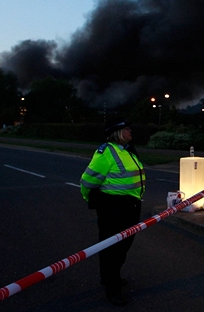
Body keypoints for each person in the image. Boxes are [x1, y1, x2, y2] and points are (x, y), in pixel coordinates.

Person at [80, 120, 145, 306]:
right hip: (113, 208)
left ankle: (110, 277)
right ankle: (112, 288)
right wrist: (91, 200)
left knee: (123, 246)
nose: (130, 130)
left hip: (131, 206)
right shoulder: (106, 152)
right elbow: (87, 181)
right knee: (112, 249)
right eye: (127, 129)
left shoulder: (127, 150)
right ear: (117, 133)